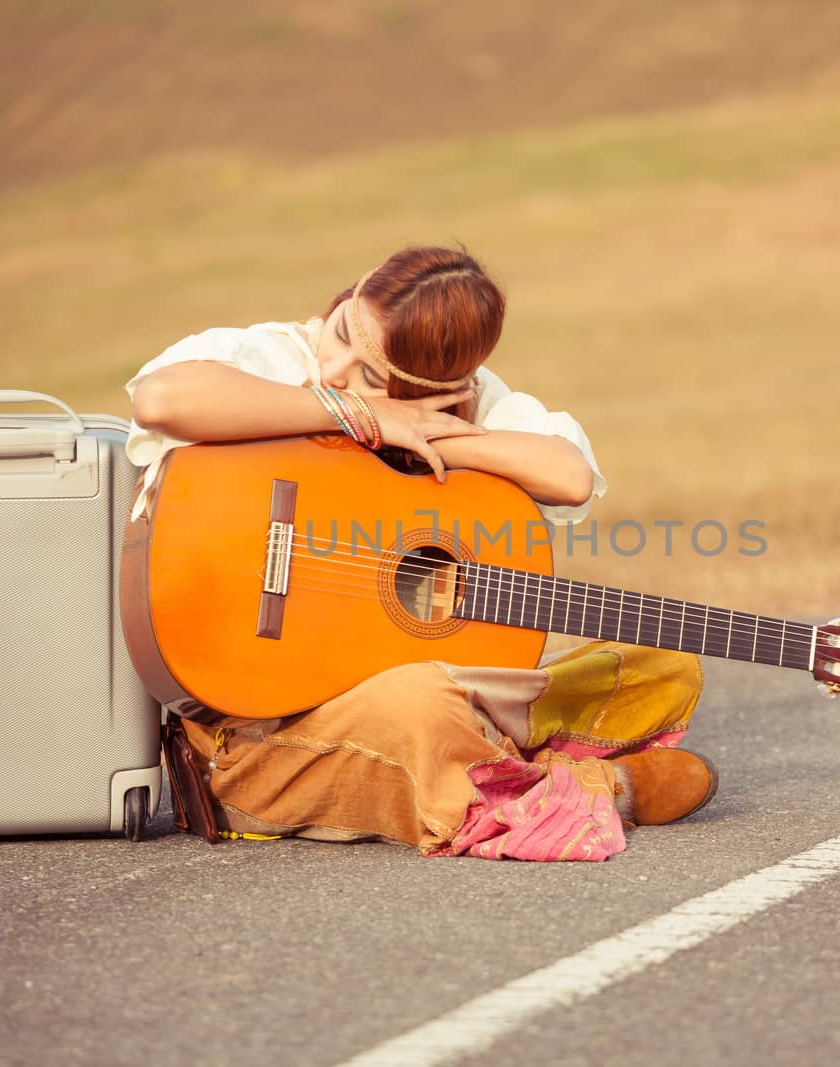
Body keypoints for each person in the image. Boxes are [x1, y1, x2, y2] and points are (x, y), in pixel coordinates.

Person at [125, 245, 717, 861]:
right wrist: (360, 412)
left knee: (663, 658)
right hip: (259, 743)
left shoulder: (471, 402)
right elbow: (162, 400)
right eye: (344, 332)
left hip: (402, 695)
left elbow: (566, 476)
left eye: (371, 377)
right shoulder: (281, 356)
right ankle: (600, 786)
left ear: (433, 389)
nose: (335, 367)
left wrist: (429, 433)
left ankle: (491, 765)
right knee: (422, 704)